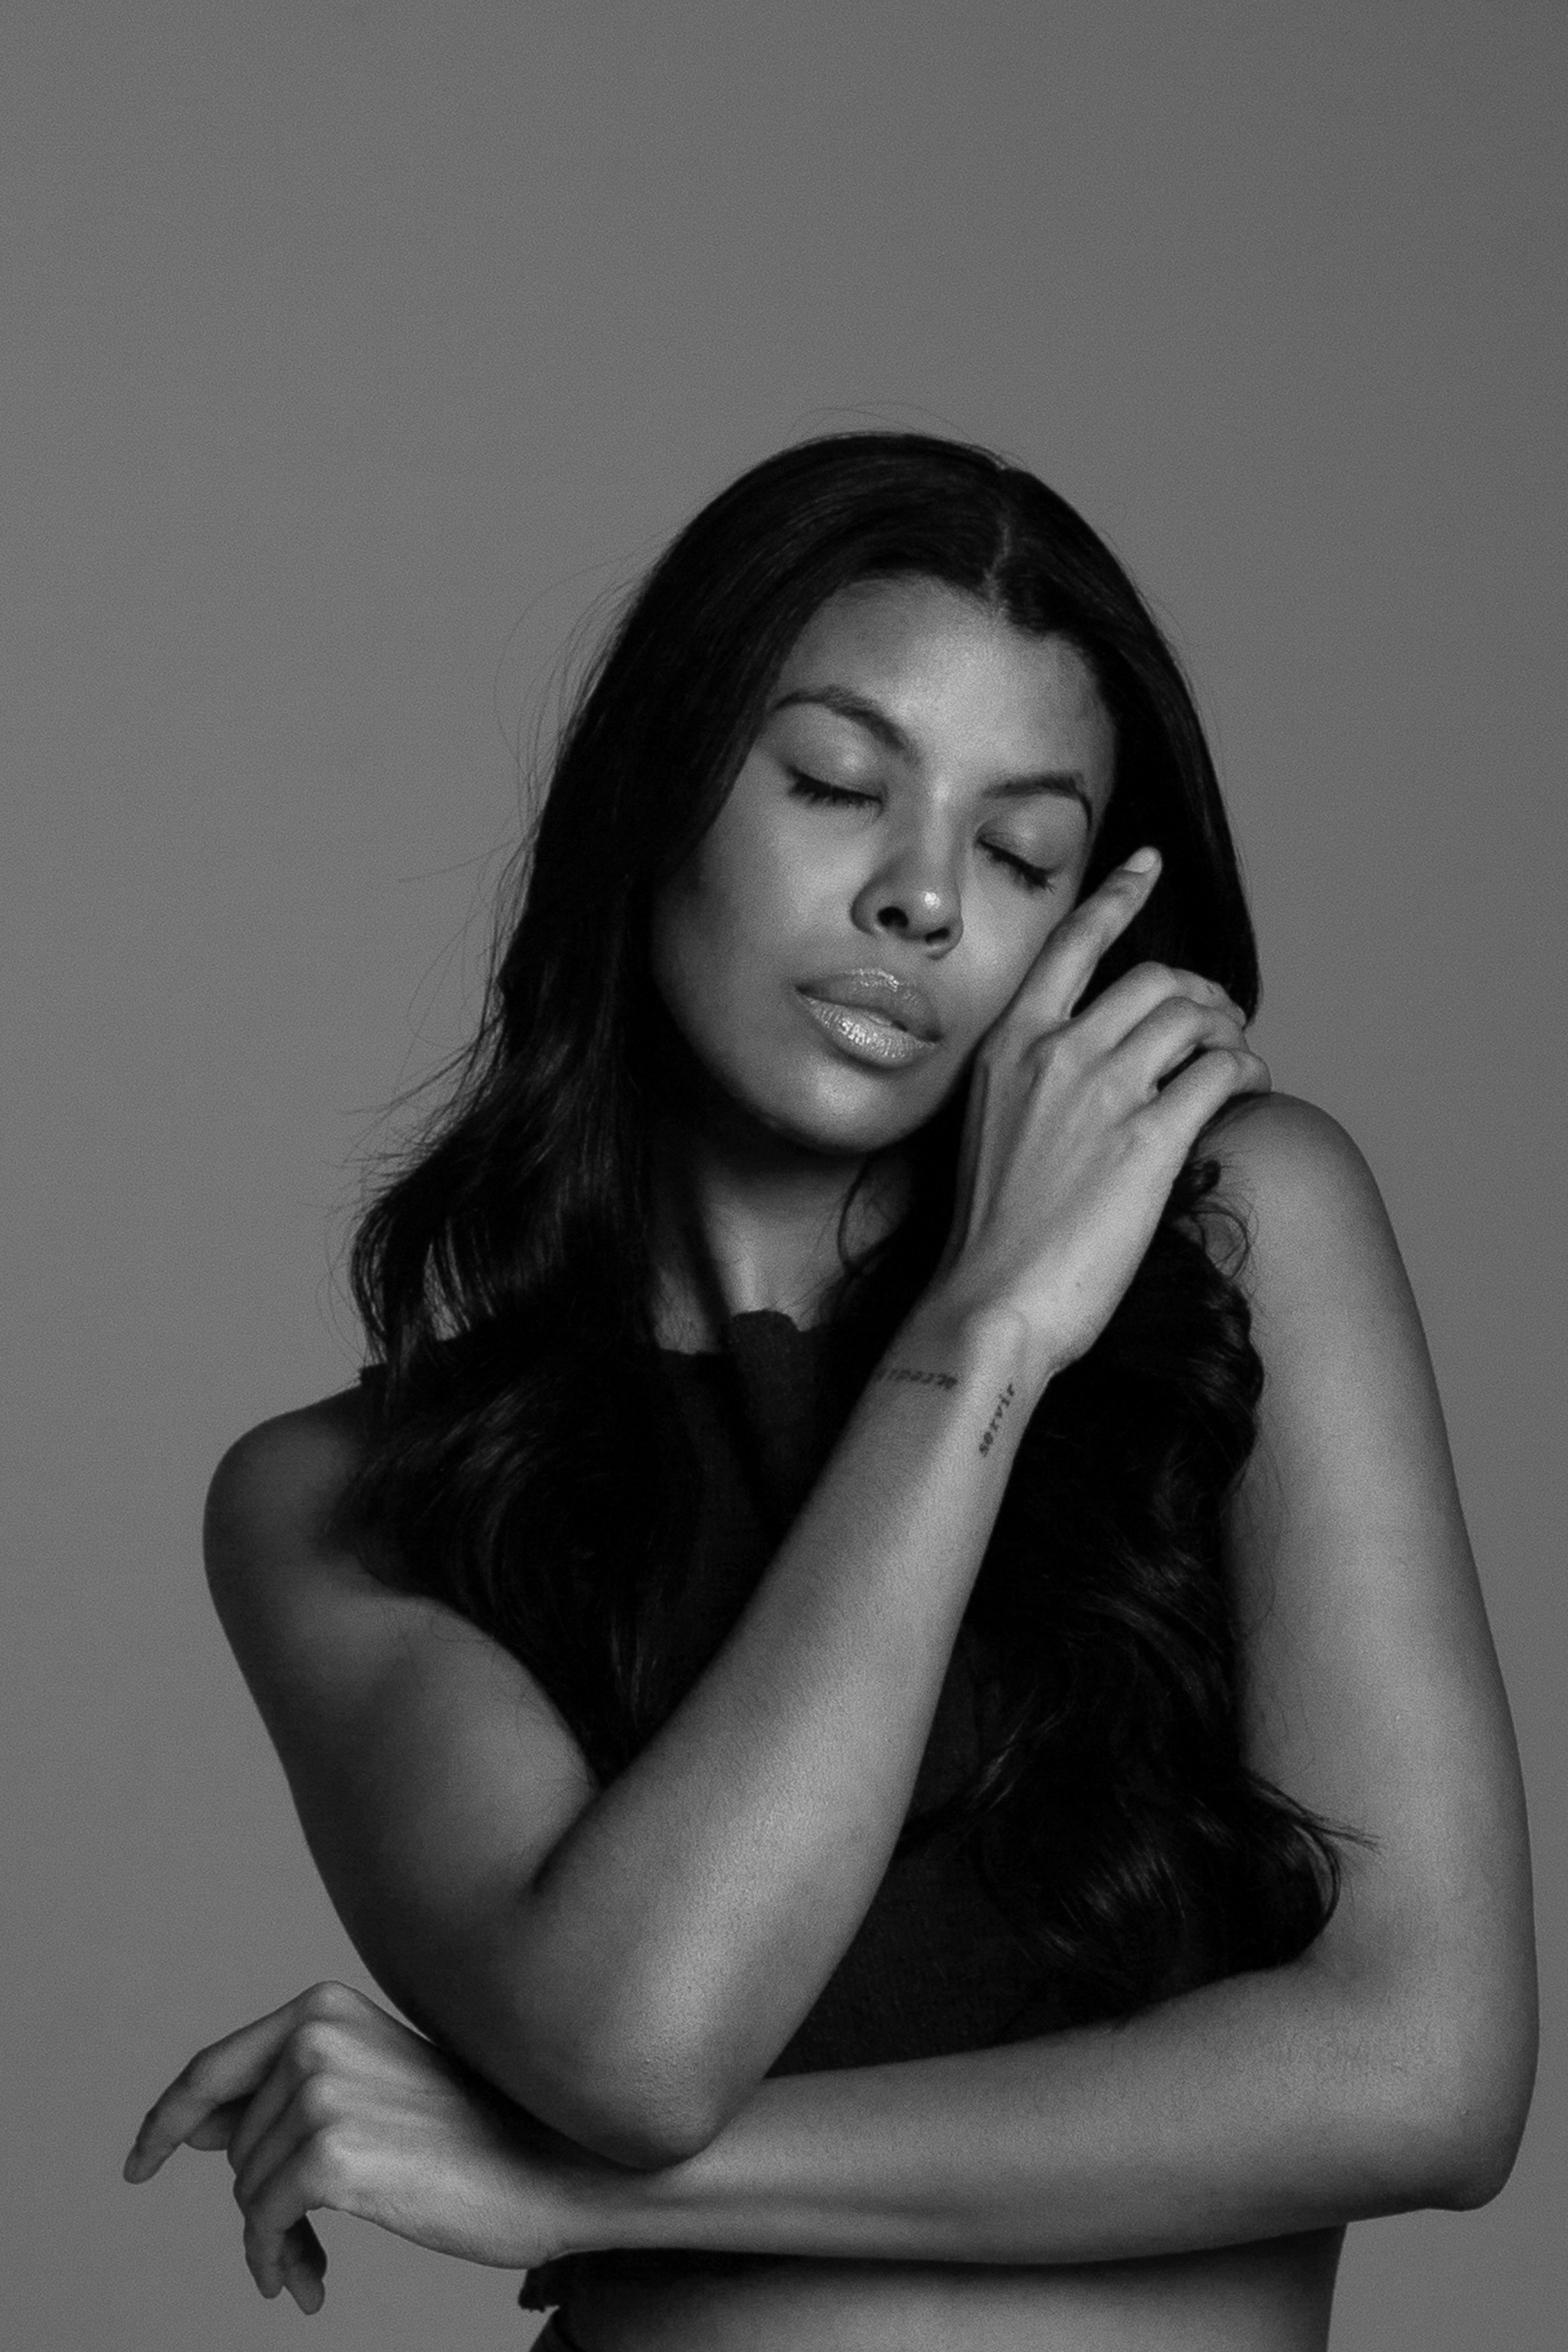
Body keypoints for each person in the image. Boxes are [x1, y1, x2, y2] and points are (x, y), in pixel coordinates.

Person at [123, 433, 1536, 2352]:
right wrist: (978, 1346)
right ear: (655, 793)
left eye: (1022, 851)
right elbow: (638, 2045)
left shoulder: (1237, 1241)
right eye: (837, 785)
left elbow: (1428, 2074)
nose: (927, 902)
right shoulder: (343, 1502)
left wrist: (560, 2190)